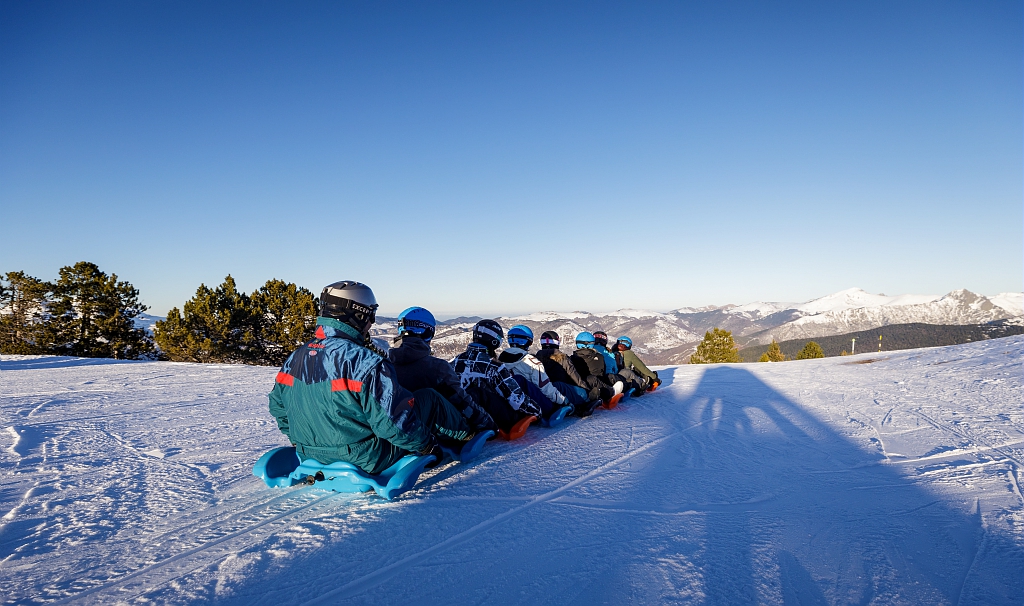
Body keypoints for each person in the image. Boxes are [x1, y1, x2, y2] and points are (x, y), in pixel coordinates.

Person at [268, 281, 472, 475]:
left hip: (308, 453)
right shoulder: (365, 362)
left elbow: (278, 407)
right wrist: (428, 445)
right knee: (427, 397)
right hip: (365, 457)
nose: (371, 323)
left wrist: (303, 441)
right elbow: (392, 423)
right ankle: (468, 434)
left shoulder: (295, 358)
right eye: (370, 315)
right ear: (357, 315)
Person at [388, 306, 497, 434]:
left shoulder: (386, 366)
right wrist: (488, 424)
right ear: (428, 333)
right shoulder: (436, 367)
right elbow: (461, 401)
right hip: (442, 430)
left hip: (404, 429)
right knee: (476, 394)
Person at [451, 319, 542, 432]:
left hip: (460, 415)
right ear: (494, 341)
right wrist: (537, 411)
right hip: (489, 419)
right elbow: (516, 400)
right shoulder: (493, 366)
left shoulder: (454, 361)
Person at [497, 325, 573, 420]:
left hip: (509, 405)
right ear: (529, 342)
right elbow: (545, 388)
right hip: (533, 405)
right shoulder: (532, 362)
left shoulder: (499, 361)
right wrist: (564, 401)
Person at [533, 331, 604, 417]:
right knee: (583, 393)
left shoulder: (534, 359)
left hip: (543, 393)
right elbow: (575, 377)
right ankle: (583, 403)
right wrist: (587, 391)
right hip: (560, 391)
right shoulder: (562, 358)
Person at [572, 331, 624, 405]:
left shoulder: (572, 358)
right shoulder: (600, 356)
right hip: (597, 383)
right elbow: (604, 371)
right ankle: (611, 391)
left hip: (579, 385)